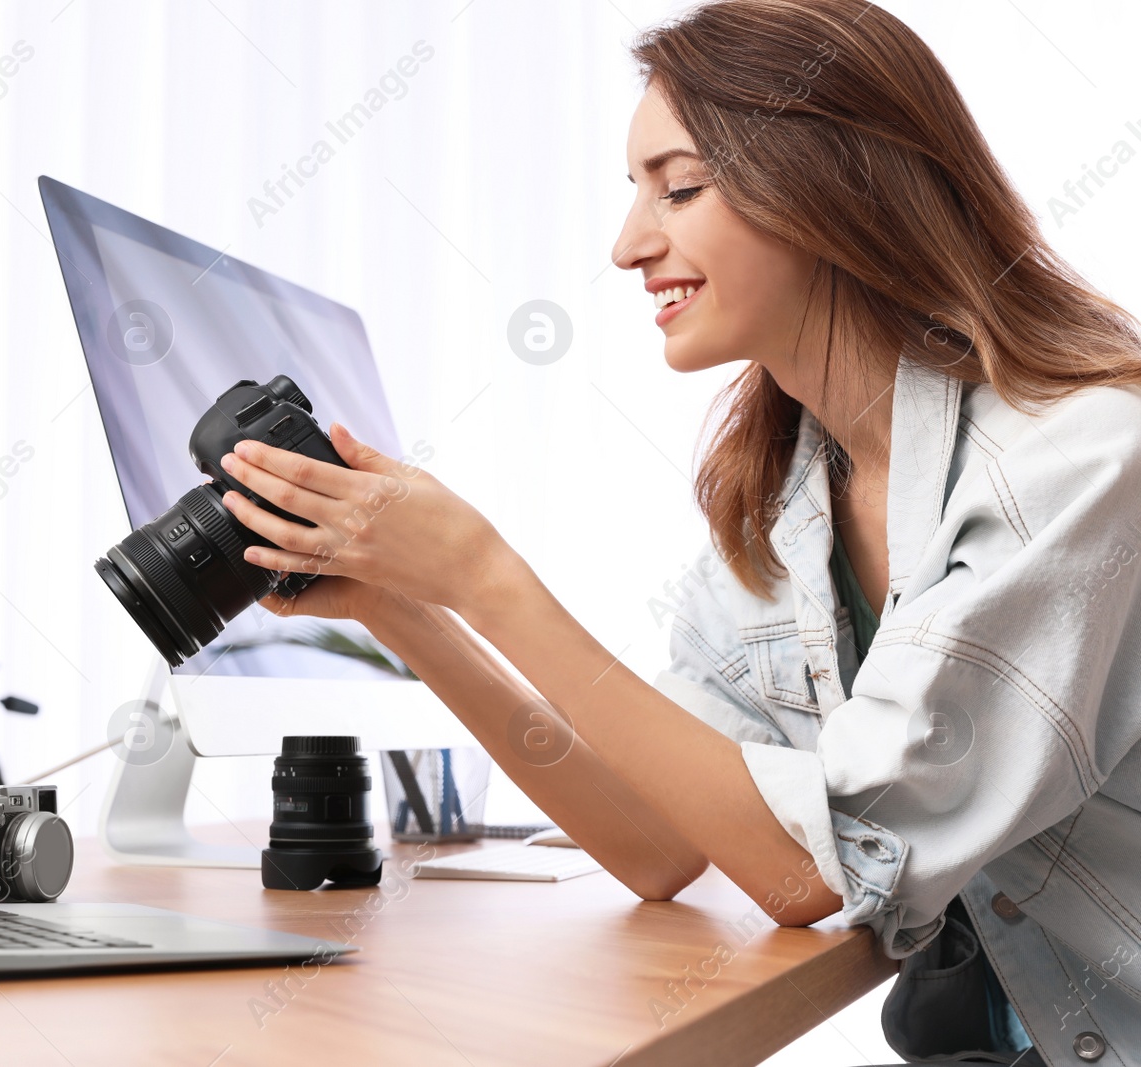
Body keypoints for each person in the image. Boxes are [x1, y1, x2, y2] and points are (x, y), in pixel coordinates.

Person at [216, 1, 1141, 1062]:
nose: (627, 245)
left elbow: (811, 868)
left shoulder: (1075, 459)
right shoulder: (791, 495)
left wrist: (483, 572)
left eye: (680, 187)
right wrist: (408, 607)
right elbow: (659, 838)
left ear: (830, 184)